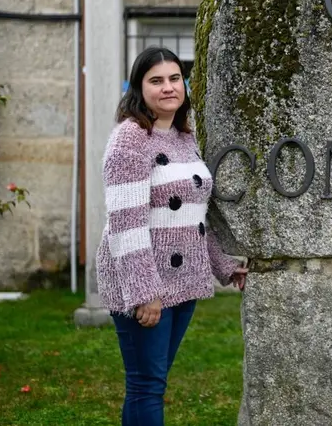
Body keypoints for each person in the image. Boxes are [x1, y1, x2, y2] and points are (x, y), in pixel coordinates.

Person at [95, 45, 247, 426]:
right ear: (138, 88)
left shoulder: (183, 137)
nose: (168, 88)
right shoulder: (130, 139)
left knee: (149, 384)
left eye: (175, 78)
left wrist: (226, 268)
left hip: (182, 280)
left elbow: (195, 219)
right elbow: (124, 223)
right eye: (156, 80)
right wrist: (145, 293)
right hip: (142, 283)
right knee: (147, 385)